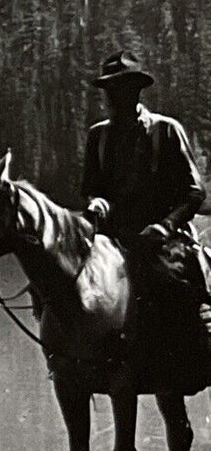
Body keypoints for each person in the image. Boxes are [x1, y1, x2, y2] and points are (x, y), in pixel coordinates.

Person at [82, 50, 207, 372]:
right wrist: (97, 204)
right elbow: (93, 190)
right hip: (112, 240)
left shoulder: (165, 130)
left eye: (118, 88)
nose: (111, 96)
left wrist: (164, 226)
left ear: (135, 90)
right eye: (108, 89)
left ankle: (180, 366)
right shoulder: (99, 135)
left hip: (160, 240)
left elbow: (194, 192)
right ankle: (73, 361)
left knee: (171, 285)